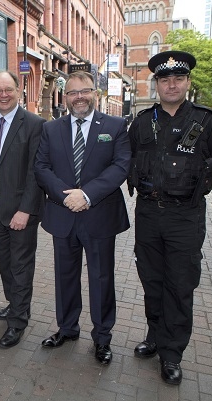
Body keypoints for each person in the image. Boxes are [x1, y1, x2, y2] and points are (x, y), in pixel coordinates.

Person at [127, 51, 212, 385]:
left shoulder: (207, 121)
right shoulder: (143, 122)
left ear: (187, 82)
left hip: (185, 218)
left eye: (178, 79)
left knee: (179, 284)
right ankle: (156, 336)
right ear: (156, 84)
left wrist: (193, 188)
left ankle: (172, 353)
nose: (171, 85)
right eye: (164, 79)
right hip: (148, 214)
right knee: (152, 282)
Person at [34, 70, 131, 365]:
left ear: (96, 94)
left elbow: (120, 166)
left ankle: (102, 338)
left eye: (85, 91)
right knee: (65, 276)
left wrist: (86, 195)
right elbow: (42, 167)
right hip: (63, 215)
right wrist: (66, 197)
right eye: (73, 93)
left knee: (101, 278)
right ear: (66, 98)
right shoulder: (52, 129)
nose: (79, 97)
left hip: (99, 215)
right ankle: (67, 328)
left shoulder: (115, 126)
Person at [0, 71, 45, 349]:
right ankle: (15, 306)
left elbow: (36, 172)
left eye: (8, 89)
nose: (3, 95)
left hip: (21, 211)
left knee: (21, 267)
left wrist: (26, 210)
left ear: (19, 90)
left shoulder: (34, 124)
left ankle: (18, 321)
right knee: (5, 263)